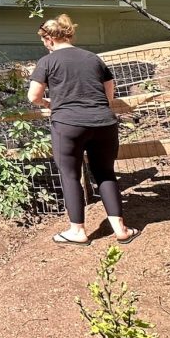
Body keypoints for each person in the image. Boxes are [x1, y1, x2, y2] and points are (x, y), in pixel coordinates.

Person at [27, 14, 137, 246]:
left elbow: (33, 96)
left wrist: (49, 103)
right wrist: (98, 106)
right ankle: (121, 229)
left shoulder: (47, 61)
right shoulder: (93, 58)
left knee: (70, 175)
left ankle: (77, 231)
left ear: (49, 40)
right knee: (105, 172)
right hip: (104, 123)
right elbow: (109, 89)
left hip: (68, 124)